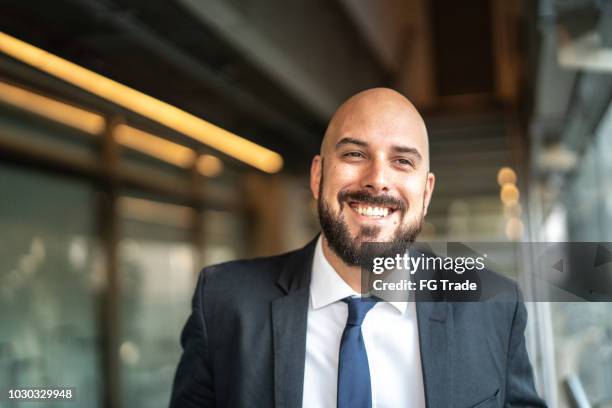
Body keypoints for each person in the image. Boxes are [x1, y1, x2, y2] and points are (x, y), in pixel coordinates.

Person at [169, 88, 547, 408]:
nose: (377, 180)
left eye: (402, 161)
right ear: (318, 176)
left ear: (426, 192)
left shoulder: (494, 306)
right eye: (354, 154)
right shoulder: (223, 302)